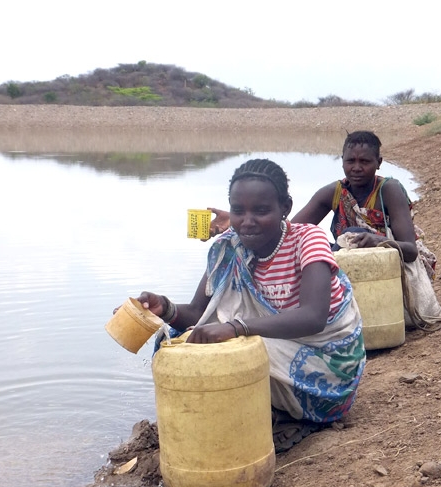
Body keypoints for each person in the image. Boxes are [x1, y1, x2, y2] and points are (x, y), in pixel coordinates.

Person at [134, 158, 366, 452]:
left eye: (261, 211)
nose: (247, 221)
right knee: (180, 341)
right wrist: (164, 308)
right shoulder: (231, 247)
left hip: (328, 365)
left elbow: (314, 317)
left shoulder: (308, 240)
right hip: (273, 344)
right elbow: (197, 315)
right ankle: (230, 417)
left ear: (286, 207)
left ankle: (293, 415)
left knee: (235, 347)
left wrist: (236, 327)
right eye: (238, 210)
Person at [208, 131, 441, 328]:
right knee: (321, 254)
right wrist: (243, 219)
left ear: (378, 163)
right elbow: (287, 229)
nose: (357, 168)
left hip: (393, 262)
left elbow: (410, 250)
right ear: (341, 161)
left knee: (348, 233)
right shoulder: (333, 193)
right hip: (353, 259)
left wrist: (378, 241)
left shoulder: (388, 190)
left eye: (365, 162)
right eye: (350, 161)